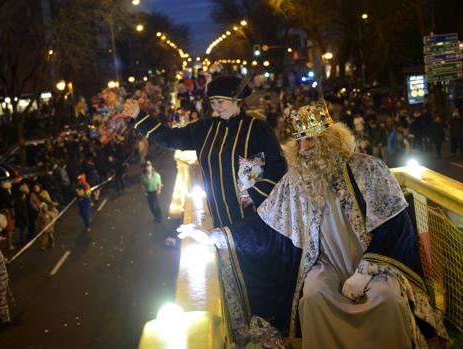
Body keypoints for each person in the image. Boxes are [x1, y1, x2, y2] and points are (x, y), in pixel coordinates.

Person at [178, 100, 449, 348]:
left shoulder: (369, 168)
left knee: (387, 299)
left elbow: (395, 226)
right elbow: (266, 228)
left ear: (332, 139)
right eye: (300, 142)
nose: (306, 148)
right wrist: (215, 237)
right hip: (326, 263)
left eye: (312, 139)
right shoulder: (295, 181)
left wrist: (364, 272)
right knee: (315, 296)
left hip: (375, 263)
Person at [124, 75, 286, 228]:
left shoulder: (257, 128)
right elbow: (169, 137)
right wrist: (139, 116)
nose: (216, 107)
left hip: (256, 217)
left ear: (237, 100)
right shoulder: (205, 128)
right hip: (219, 217)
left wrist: (255, 194)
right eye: (213, 102)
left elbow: (278, 167)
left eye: (221, 101)